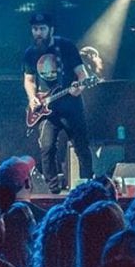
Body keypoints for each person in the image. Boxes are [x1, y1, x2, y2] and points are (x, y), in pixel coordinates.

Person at [23, 12, 93, 193]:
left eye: (42, 29)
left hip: (71, 106)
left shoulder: (66, 47)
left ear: (51, 30)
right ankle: (52, 190)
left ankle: (88, 186)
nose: (38, 33)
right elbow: (29, 80)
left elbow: (82, 75)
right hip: (46, 108)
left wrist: (79, 88)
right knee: (46, 148)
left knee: (81, 147)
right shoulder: (30, 53)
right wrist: (32, 98)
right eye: (35, 29)